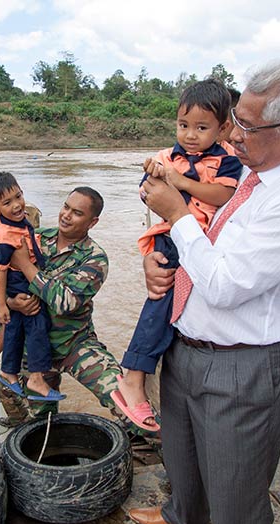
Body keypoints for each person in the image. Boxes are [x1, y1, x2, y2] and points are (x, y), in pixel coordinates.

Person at [128, 58, 280, 524]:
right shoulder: (250, 171)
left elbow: (225, 284)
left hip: (243, 365)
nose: (232, 133)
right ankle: (183, 513)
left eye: (245, 125)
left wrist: (176, 213)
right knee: (181, 452)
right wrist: (159, 268)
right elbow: (208, 249)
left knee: (239, 491)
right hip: (189, 343)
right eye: (233, 120)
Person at [113, 79, 242, 432]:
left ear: (222, 128)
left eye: (201, 128)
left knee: (166, 305)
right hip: (173, 239)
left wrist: (181, 183)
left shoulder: (228, 161)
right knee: (161, 301)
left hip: (197, 243)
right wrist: (152, 174)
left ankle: (136, 376)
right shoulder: (167, 157)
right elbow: (147, 192)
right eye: (184, 125)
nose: (190, 135)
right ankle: (135, 375)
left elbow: (220, 197)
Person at [0, 187, 140, 433]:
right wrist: (11, 303)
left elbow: (66, 302)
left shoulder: (94, 258)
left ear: (92, 222)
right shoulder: (38, 238)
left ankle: (156, 446)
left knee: (126, 401)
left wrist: (25, 265)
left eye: (76, 213)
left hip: (74, 344)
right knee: (40, 419)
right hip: (34, 350)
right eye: (66, 207)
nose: (66, 215)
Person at [0, 172, 64, 401]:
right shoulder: (5, 238)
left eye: (18, 196)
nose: (17, 205)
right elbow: (0, 271)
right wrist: (2, 305)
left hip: (17, 280)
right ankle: (36, 378)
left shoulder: (9, 220)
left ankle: (8, 371)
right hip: (19, 281)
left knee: (15, 329)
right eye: (7, 203)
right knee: (38, 323)